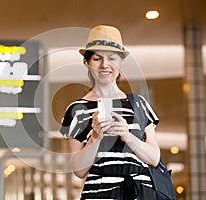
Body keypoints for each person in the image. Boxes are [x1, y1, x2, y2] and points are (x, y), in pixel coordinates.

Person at [59, 25, 161, 200]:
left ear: (121, 62)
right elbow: (79, 170)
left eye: (112, 58)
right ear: (87, 62)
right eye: (97, 59)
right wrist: (95, 137)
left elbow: (154, 158)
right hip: (99, 194)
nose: (105, 65)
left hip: (141, 193)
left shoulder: (138, 104)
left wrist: (127, 135)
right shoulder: (76, 110)